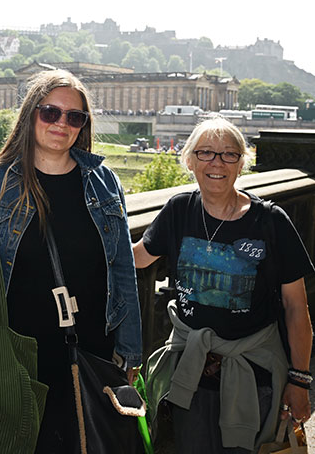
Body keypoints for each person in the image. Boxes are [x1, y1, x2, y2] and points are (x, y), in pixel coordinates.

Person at [0, 68, 143, 453]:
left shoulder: (103, 180)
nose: (62, 123)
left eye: (74, 117)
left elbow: (122, 267)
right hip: (19, 354)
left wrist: (130, 350)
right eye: (50, 112)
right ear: (31, 115)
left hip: (91, 346)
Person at [133, 115, 314, 453]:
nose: (217, 163)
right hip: (190, 370)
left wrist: (300, 380)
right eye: (205, 153)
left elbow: (295, 308)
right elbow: (139, 257)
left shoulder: (271, 221)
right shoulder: (178, 210)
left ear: (241, 163)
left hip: (253, 371)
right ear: (189, 161)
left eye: (229, 154)